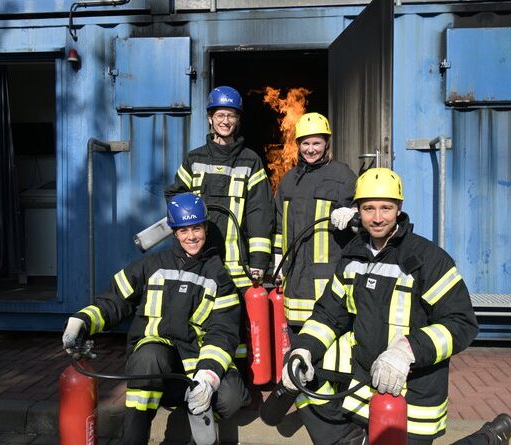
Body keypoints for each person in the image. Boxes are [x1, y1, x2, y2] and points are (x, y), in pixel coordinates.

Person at [282, 168, 480, 445]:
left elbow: (461, 323)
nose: (377, 218)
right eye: (368, 209)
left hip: (413, 396)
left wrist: (407, 351)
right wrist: (303, 349)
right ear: (358, 211)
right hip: (365, 387)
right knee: (299, 372)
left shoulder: (428, 258)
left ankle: (488, 437)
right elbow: (328, 314)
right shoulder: (352, 257)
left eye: (386, 208)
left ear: (399, 208)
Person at [62, 193, 249, 445]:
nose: (191, 237)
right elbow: (114, 300)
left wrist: (207, 378)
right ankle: (134, 439)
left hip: (196, 364)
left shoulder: (219, 278)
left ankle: (197, 411)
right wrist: (82, 321)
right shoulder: (151, 265)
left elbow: (223, 332)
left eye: (196, 228)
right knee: (148, 357)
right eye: (183, 230)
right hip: (154, 363)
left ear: (205, 228)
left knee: (231, 397)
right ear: (174, 232)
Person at [165, 86, 274, 293]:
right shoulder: (194, 159)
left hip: (237, 269)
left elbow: (260, 213)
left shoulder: (251, 161)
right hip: (197, 262)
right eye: (220, 115)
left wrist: (259, 262)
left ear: (238, 120)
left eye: (231, 115)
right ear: (210, 118)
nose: (225, 121)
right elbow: (175, 198)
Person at [273, 112, 358, 327]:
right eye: (306, 143)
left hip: (329, 278)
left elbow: (367, 216)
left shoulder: (343, 176)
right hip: (294, 278)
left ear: (327, 143)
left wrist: (353, 213)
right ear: (298, 145)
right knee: (296, 335)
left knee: (327, 335)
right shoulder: (289, 181)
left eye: (317, 143)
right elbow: (279, 225)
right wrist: (277, 260)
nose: (311, 149)